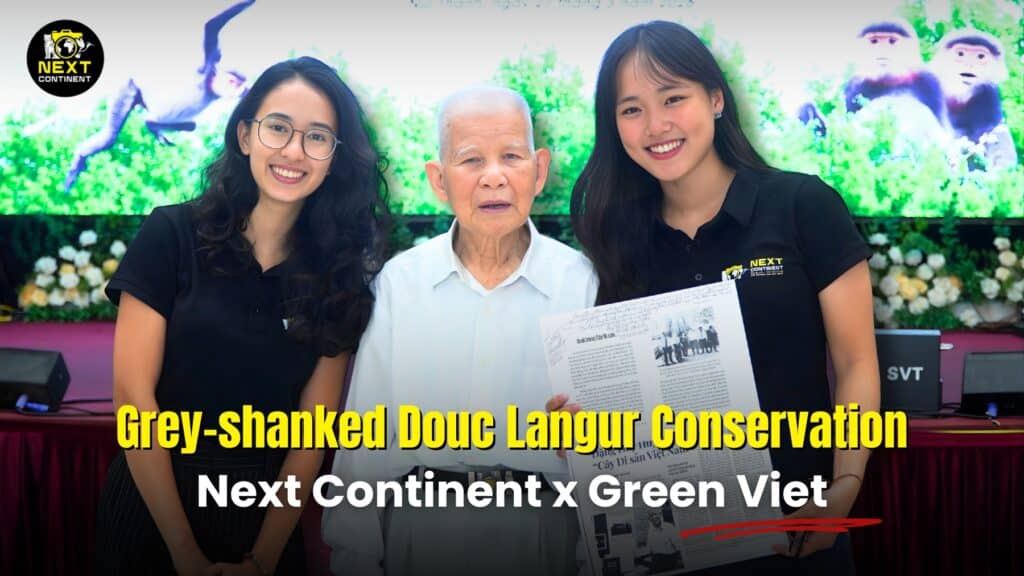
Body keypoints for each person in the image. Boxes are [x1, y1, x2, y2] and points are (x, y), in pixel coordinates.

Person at [561, 21, 880, 573]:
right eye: (631, 109)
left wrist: (844, 485)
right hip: (675, 541)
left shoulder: (803, 205)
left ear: (714, 99)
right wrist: (580, 427)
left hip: (799, 530)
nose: (656, 125)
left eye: (673, 98)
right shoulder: (618, 243)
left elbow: (856, 363)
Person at [95, 56, 390, 575]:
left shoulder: (338, 273)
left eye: (318, 137)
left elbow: (313, 431)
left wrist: (262, 559)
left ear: (335, 158)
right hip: (153, 506)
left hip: (263, 515)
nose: (294, 151)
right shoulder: (171, 234)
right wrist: (184, 554)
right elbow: (133, 401)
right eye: (278, 128)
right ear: (246, 134)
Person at [322, 86, 597, 576]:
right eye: (471, 160)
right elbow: (364, 444)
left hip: (546, 532)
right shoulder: (400, 284)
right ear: (439, 180)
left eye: (511, 156)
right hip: (420, 529)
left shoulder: (582, 283)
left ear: (538, 170)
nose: (494, 177)